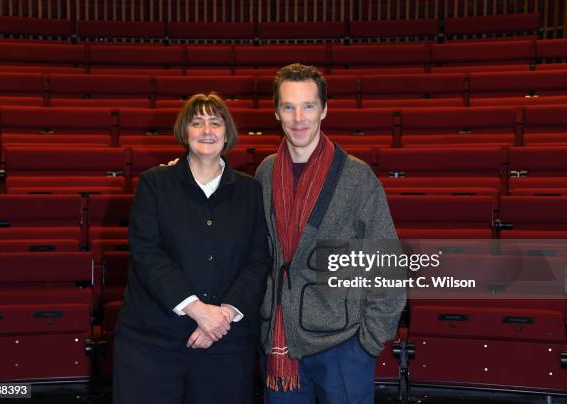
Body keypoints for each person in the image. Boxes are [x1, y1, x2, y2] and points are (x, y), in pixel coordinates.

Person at [255, 63, 406, 404]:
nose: (298, 117)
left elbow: (388, 263)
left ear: (324, 109)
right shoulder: (265, 173)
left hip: (343, 345)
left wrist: (368, 342)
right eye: (289, 107)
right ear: (277, 112)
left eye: (308, 106)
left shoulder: (357, 177)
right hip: (280, 344)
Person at [113, 93, 271, 404]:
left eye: (215, 123)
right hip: (153, 344)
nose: (207, 131)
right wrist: (197, 310)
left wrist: (222, 317)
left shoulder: (250, 191)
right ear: (185, 131)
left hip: (225, 346)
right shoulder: (155, 183)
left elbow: (258, 260)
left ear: (227, 133)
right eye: (197, 123)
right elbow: (147, 253)